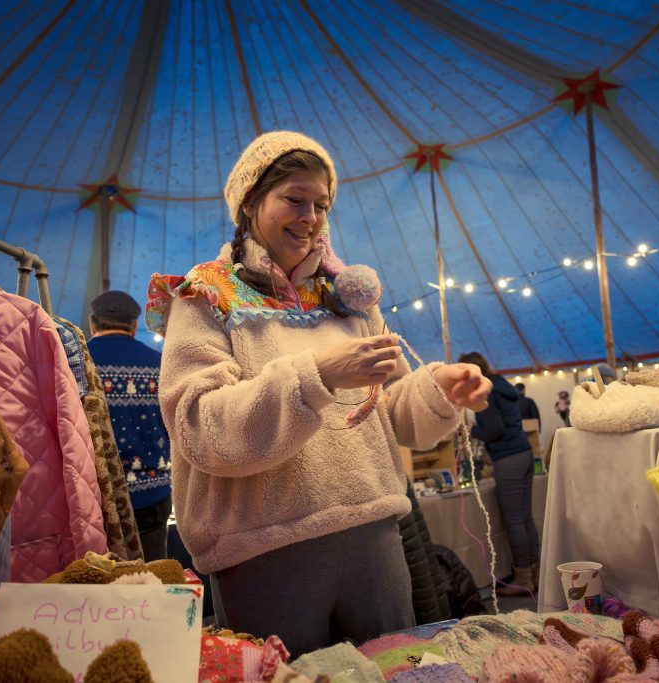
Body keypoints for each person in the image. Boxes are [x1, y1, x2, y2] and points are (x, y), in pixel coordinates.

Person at [147, 131, 491, 655]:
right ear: (249, 203)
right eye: (293, 199)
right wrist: (316, 375)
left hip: (374, 540)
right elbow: (199, 426)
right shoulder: (204, 295)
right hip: (264, 555)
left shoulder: (348, 300)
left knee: (394, 668)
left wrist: (436, 390)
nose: (309, 216)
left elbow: (386, 413)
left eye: (321, 204)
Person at [87, 290, 172, 562]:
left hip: (94, 495)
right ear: (134, 325)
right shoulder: (161, 364)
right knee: (150, 579)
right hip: (152, 493)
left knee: (95, 580)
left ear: (92, 323)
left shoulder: (75, 363)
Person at [458, 352, 540, 596]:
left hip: (509, 458)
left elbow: (494, 430)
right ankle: (535, 572)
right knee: (525, 517)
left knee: (514, 520)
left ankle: (523, 577)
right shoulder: (503, 386)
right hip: (524, 453)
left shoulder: (484, 392)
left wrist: (471, 430)